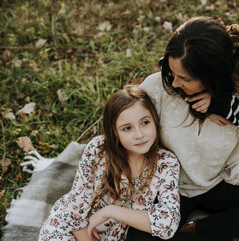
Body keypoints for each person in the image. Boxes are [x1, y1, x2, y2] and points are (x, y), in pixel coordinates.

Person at [140, 17, 239, 241]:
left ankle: (197, 230)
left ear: (211, 77)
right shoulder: (159, 87)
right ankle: (231, 235)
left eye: (184, 77)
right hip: (171, 186)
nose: (175, 82)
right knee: (134, 234)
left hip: (218, 183)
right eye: (174, 74)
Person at [38, 86, 180, 240]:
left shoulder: (166, 163)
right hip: (72, 228)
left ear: (155, 120)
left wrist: (110, 211)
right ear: (114, 132)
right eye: (127, 128)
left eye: (145, 122)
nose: (139, 134)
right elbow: (75, 210)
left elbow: (168, 224)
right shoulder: (98, 150)